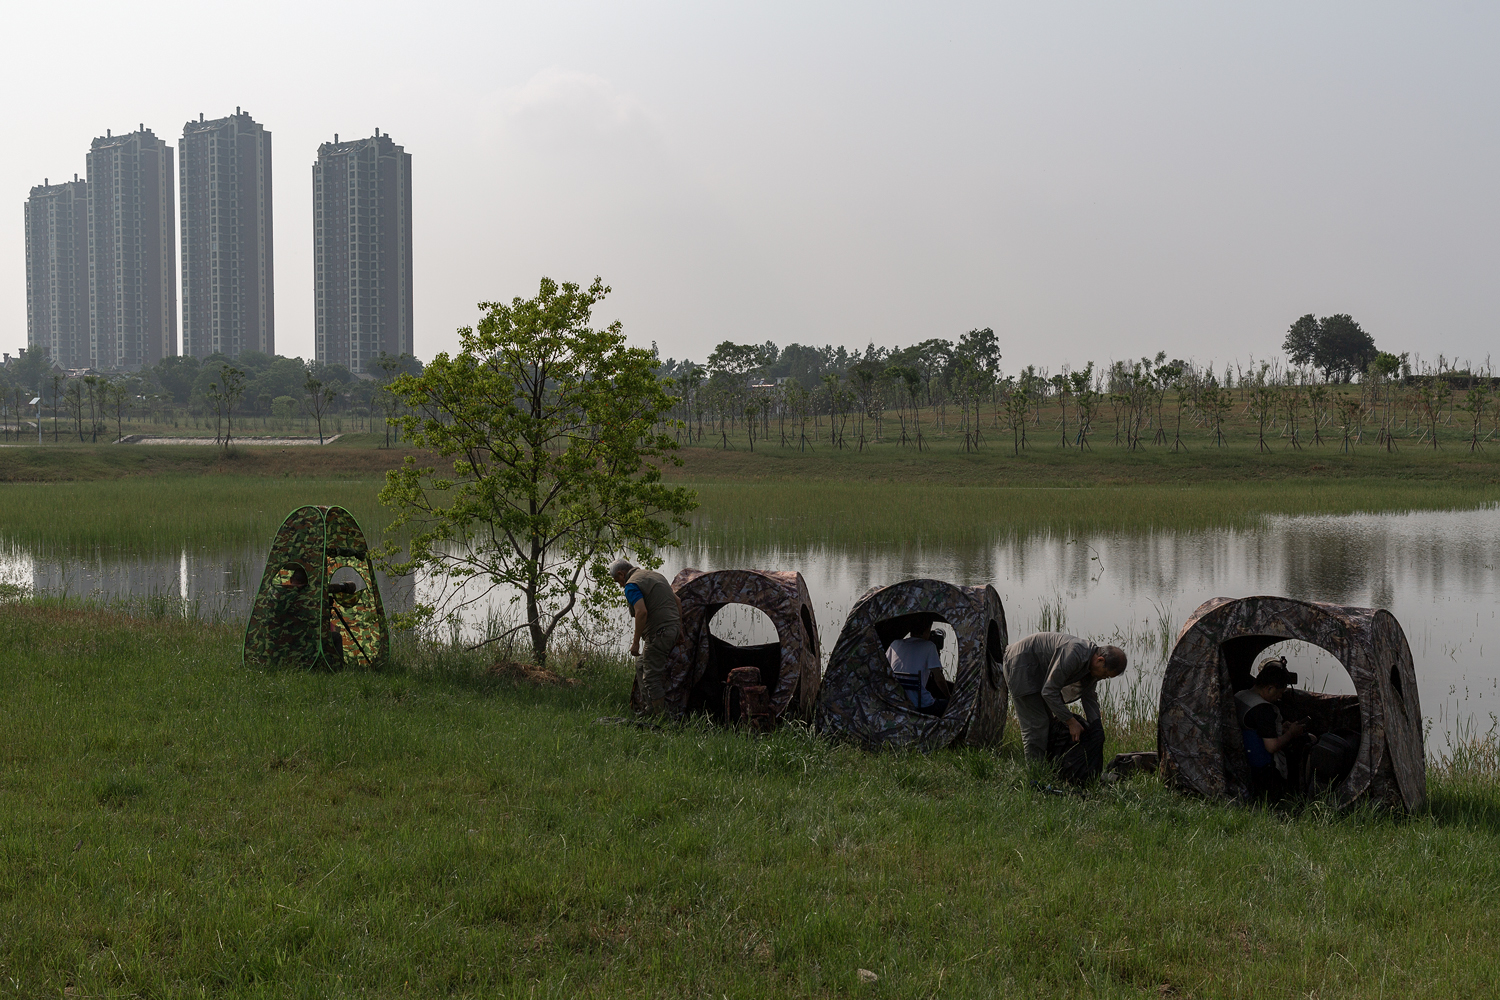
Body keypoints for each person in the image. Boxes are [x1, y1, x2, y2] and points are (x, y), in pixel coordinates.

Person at [1003, 632, 1127, 763]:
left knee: (1048, 724)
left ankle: (1048, 768)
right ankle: (1035, 776)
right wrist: (1071, 721)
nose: (1104, 678)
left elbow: (1089, 697)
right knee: (1036, 724)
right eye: (1106, 674)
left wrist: (1096, 728)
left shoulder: (1091, 667)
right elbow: (1049, 691)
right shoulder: (1074, 653)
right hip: (1020, 664)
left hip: (1038, 670)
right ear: (1100, 660)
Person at [608, 558, 682, 715]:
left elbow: (641, 612)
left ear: (621, 574)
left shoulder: (631, 585)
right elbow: (678, 601)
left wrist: (635, 643)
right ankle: (649, 708)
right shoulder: (655, 576)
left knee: (651, 677)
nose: (620, 585)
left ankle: (661, 716)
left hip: (659, 633)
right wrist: (678, 629)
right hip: (672, 629)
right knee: (641, 664)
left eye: (617, 581)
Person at [1235, 657, 1315, 802]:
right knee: (1307, 741)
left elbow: (1255, 727)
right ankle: (1299, 792)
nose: (1279, 697)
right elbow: (1271, 747)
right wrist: (1291, 733)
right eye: (1279, 693)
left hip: (1242, 758)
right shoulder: (1263, 709)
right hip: (1265, 769)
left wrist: (1280, 728)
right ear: (1269, 688)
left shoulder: (1241, 696)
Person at [887, 617, 951, 716]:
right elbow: (938, 679)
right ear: (927, 630)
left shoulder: (895, 644)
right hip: (920, 705)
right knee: (949, 706)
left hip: (896, 701)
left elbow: (885, 669)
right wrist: (949, 697)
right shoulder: (929, 646)